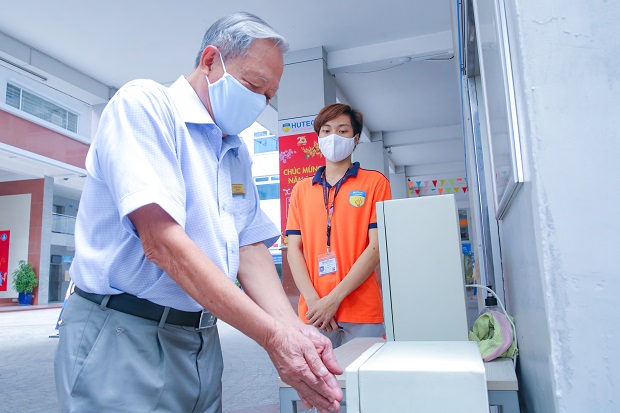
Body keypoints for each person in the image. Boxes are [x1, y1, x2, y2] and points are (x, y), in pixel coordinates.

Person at [54, 12, 343, 413]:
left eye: (268, 96)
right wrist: (272, 338)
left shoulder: (234, 148)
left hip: (201, 337)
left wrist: (292, 329)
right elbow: (162, 243)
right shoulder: (145, 106)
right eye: (254, 86)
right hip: (124, 332)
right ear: (210, 61)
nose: (259, 104)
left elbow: (249, 248)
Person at [285, 103, 392, 348]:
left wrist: (334, 299)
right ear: (318, 138)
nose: (334, 136)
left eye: (342, 131)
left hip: (362, 309)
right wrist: (315, 301)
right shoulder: (301, 190)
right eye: (326, 130)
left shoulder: (375, 183)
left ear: (355, 139)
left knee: (363, 383)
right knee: (318, 383)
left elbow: (376, 248)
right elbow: (293, 250)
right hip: (314, 313)